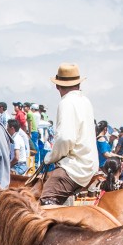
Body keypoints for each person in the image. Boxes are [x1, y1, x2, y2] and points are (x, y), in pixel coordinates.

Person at [40, 63, 99, 205]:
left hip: (75, 167)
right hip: (90, 164)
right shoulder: (85, 101)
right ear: (79, 83)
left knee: (45, 200)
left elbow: (65, 139)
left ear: (57, 86)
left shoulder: (66, 102)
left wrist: (50, 158)